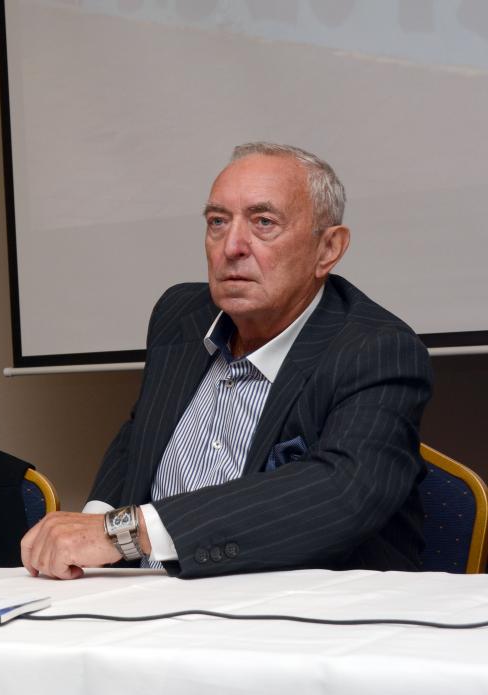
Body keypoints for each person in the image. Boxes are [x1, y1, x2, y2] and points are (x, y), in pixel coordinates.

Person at [21, 142, 432, 579]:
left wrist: (123, 531)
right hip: (148, 597)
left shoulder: (376, 349)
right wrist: (89, 528)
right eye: (218, 222)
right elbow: (140, 435)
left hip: (299, 605)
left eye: (264, 222)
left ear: (328, 249)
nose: (232, 246)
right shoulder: (180, 315)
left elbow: (340, 492)